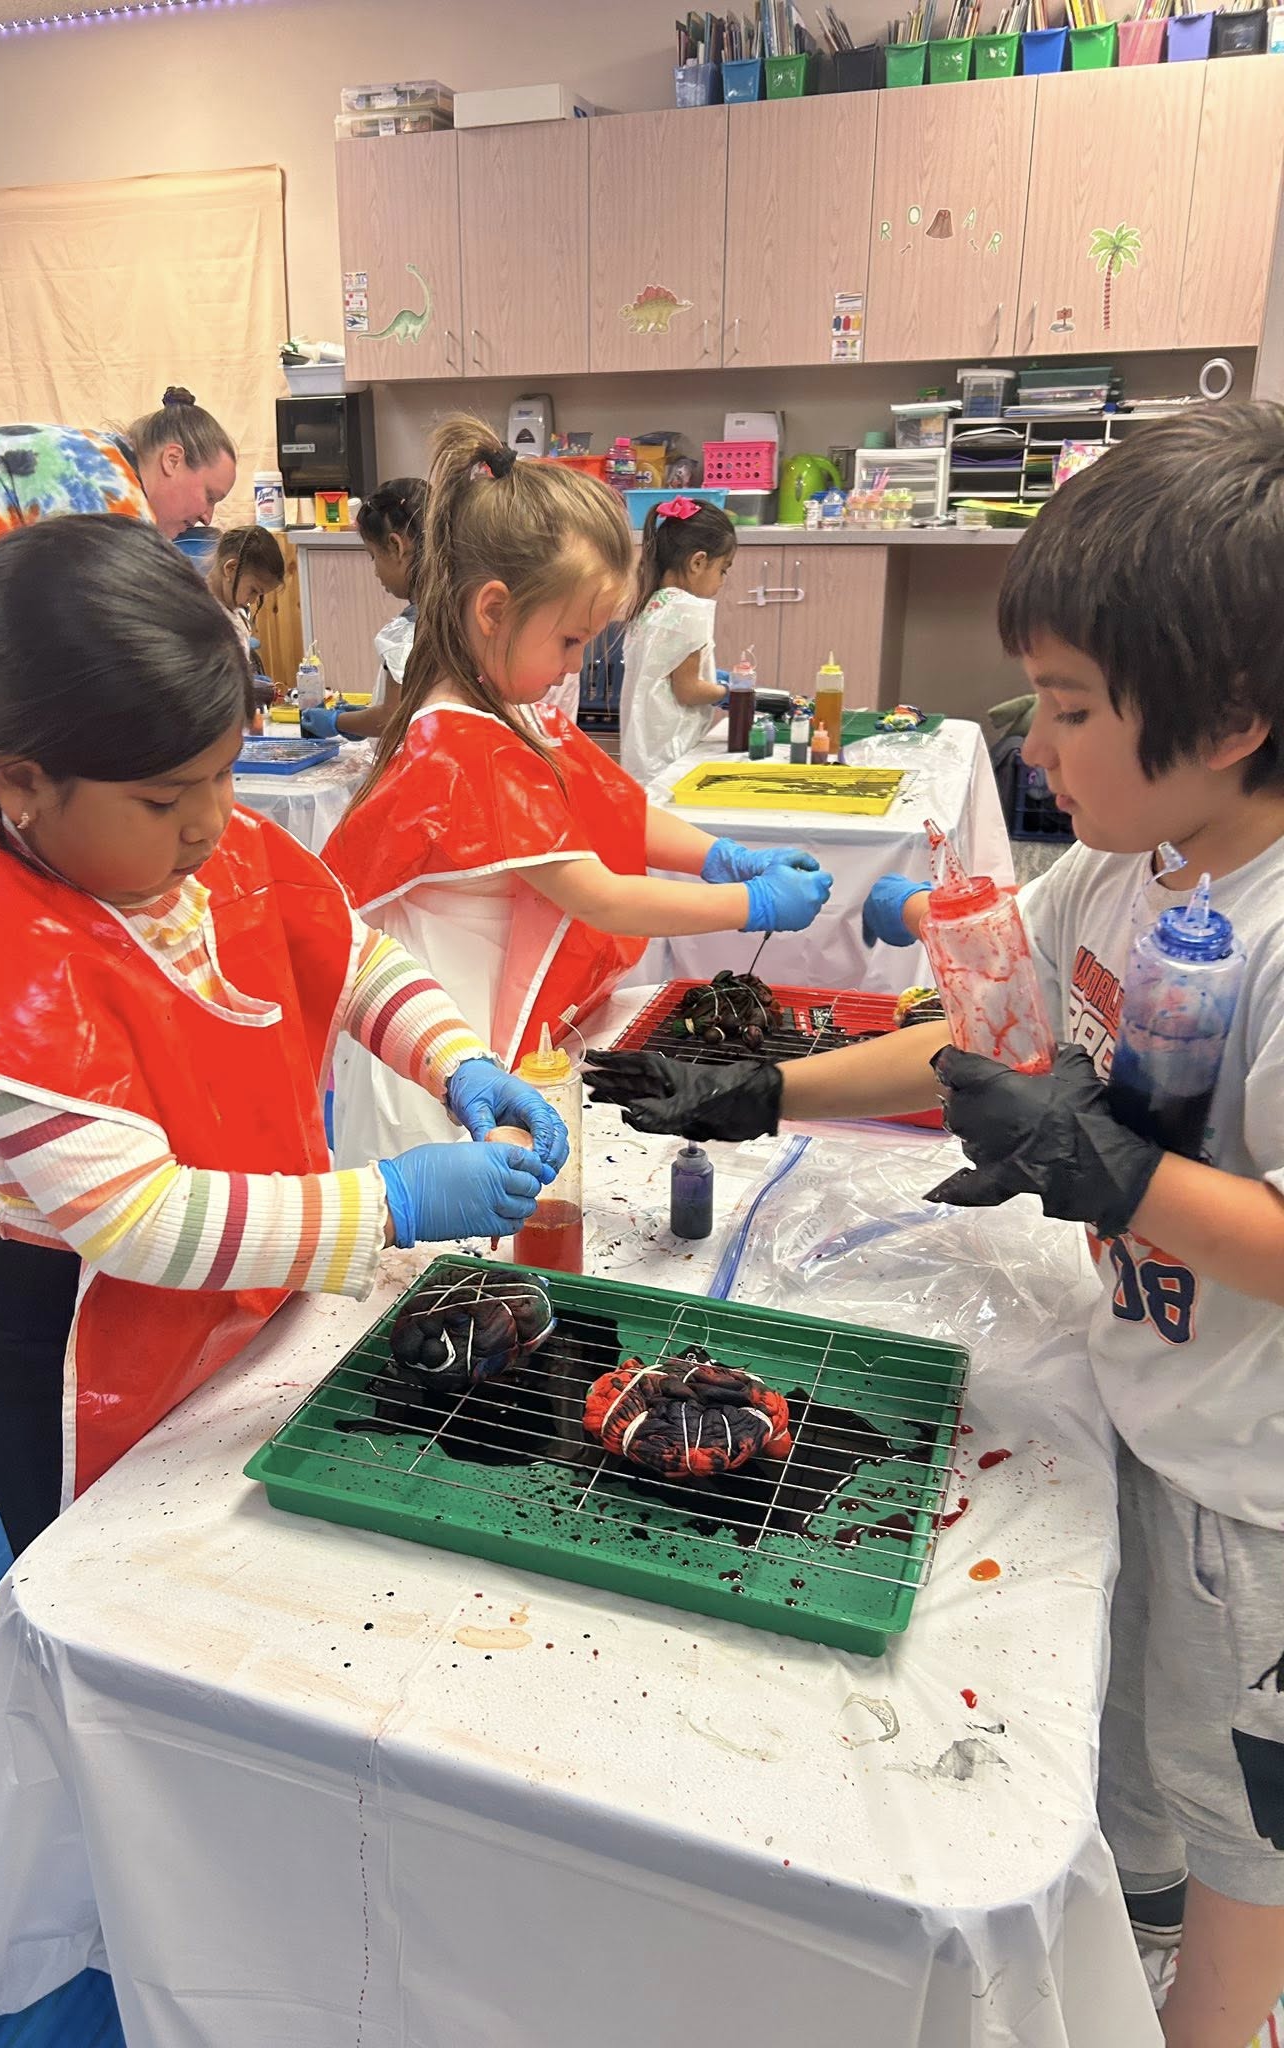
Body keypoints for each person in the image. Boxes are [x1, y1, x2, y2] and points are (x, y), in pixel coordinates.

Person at [587, 403, 1284, 2048]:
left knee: (1246, 1837)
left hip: (1258, 1491)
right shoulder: (1128, 867)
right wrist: (774, 1086)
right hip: (1152, 1403)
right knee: (1143, 1772)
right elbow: (974, 1040)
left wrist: (1110, 1167)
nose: (1034, 749)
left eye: (1069, 708)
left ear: (1238, 710)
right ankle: (1154, 1909)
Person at [0, 516, 566, 1558]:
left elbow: (350, 956)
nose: (210, 824)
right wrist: (394, 1200)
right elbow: (139, 1220)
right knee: (105, 1565)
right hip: (59, 1318)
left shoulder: (180, 845)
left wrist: (456, 1056)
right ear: (18, 782)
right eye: (165, 797)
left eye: (227, 774)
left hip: (229, 1255)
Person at [321, 414, 833, 1167]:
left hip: (492, 1031)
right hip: (441, 1057)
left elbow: (617, 811)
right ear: (492, 609)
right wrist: (750, 905)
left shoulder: (513, 710)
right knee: (451, 1238)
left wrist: (723, 856)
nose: (574, 665)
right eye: (568, 641)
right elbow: (597, 895)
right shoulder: (460, 746)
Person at [0, 386, 237, 625]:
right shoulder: (116, 499)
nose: (208, 516)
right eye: (210, 495)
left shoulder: (96, 457)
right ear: (172, 460)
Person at [619, 495, 736, 785]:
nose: (722, 581)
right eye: (723, 569)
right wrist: (729, 692)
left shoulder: (649, 605)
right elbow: (687, 690)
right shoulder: (689, 609)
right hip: (673, 756)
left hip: (643, 753)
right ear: (698, 562)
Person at [303, 477, 425, 744]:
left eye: (373, 556)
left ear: (395, 546)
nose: (376, 572)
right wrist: (363, 719)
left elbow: (393, 718)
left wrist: (337, 722)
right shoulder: (462, 615)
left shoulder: (409, 632)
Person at [207, 524, 285, 697]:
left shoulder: (238, 613)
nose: (253, 600)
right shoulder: (201, 616)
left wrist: (249, 684)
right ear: (231, 569)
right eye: (254, 590)